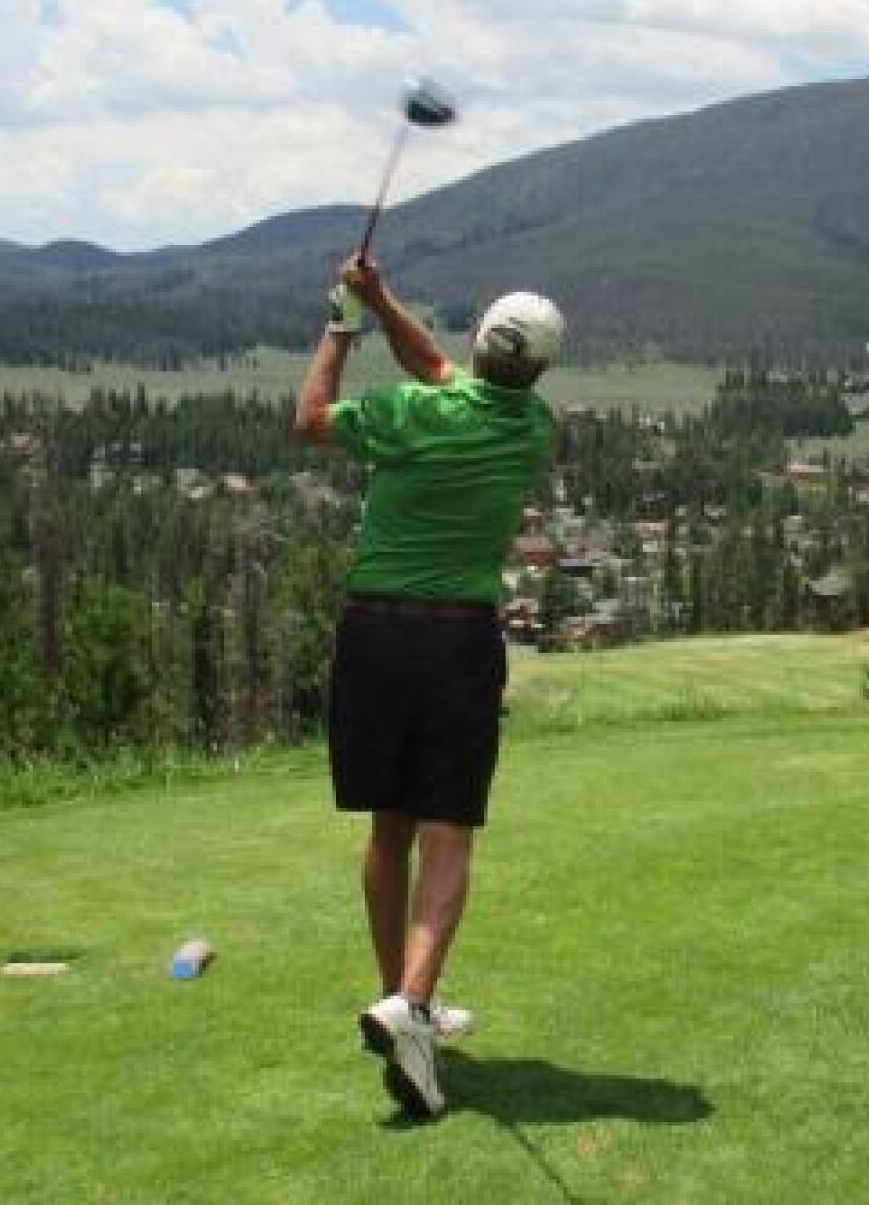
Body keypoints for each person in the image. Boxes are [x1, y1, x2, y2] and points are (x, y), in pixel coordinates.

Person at [291, 255, 563, 1121]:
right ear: (537, 369)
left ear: (481, 343)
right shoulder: (531, 429)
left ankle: (401, 1002)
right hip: (455, 643)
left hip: (372, 633)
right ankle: (407, 1006)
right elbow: (443, 369)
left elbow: (309, 419)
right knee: (448, 835)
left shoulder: (413, 412)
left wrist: (342, 325)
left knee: (390, 828)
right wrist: (379, 301)